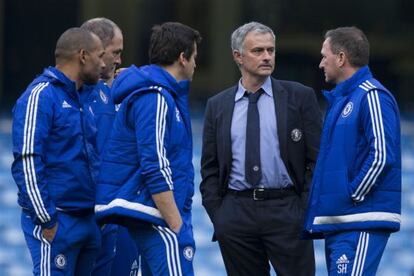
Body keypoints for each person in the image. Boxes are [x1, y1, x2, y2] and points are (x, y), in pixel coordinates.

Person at [200, 21, 321, 276]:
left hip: (287, 209)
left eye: (271, 50)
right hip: (236, 213)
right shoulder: (217, 105)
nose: (267, 56)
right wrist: (220, 216)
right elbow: (210, 167)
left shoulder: (300, 97)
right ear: (238, 56)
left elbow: (317, 159)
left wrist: (302, 210)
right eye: (258, 51)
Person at [94, 22, 202, 276]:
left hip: (157, 214)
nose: (197, 64)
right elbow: (154, 163)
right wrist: (177, 225)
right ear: (183, 58)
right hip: (158, 216)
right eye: (195, 57)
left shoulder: (165, 94)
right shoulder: (154, 96)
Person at [303, 26, 401, 275]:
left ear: (341, 58)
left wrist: (353, 194)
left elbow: (381, 155)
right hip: (341, 221)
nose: (321, 63)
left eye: (325, 56)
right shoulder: (342, 100)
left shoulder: (371, 95)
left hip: (359, 220)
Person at [11, 27, 105, 275]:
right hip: (58, 222)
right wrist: (47, 220)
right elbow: (27, 161)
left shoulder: (88, 97)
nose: (104, 64)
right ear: (83, 56)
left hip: (89, 218)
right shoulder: (40, 96)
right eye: (100, 55)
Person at [81, 17, 141, 276]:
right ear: (95, 50)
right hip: (85, 216)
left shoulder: (122, 92)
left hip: (121, 214)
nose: (119, 60)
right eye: (115, 52)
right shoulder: (59, 97)